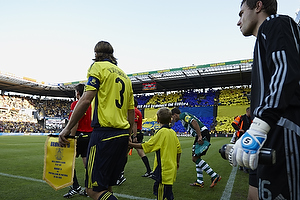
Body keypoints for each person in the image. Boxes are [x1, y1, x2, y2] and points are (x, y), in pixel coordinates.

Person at [231, 0, 300, 199]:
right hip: (267, 132)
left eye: (241, 13)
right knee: (256, 194)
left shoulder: (276, 23)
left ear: (258, 6)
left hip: (281, 128)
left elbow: (286, 71)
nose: (239, 21)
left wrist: (259, 127)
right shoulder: (262, 39)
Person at [59, 41, 135, 200]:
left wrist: (67, 128)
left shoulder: (98, 67)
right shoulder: (125, 77)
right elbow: (130, 111)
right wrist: (128, 135)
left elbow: (86, 100)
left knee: (92, 190)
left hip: (104, 135)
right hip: (121, 136)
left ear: (96, 54)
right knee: (107, 186)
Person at [129, 107, 182, 200]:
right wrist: (177, 162)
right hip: (171, 169)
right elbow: (179, 150)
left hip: (163, 171)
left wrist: (130, 144)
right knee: (168, 194)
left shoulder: (161, 132)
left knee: (161, 195)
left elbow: (147, 145)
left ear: (157, 119)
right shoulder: (173, 133)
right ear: (170, 120)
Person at [171, 108, 221, 188]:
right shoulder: (183, 117)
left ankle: (214, 175)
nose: (172, 119)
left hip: (201, 134)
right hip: (200, 134)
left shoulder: (183, 115)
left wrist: (200, 136)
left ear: (175, 115)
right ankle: (200, 181)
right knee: (197, 158)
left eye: (172, 117)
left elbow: (194, 122)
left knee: (194, 158)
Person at [63, 83, 93, 198]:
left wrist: (71, 137)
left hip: (79, 136)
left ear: (78, 93)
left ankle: (75, 187)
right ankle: (88, 188)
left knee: (68, 162)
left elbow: (75, 122)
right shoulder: (91, 104)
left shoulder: (76, 104)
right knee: (87, 164)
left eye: (76, 92)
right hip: (89, 135)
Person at [132, 99, 152, 177]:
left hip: (135, 133)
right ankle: (149, 171)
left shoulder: (134, 111)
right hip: (139, 132)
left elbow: (134, 124)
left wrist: (134, 136)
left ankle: (119, 173)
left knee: (123, 152)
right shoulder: (138, 111)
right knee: (140, 152)